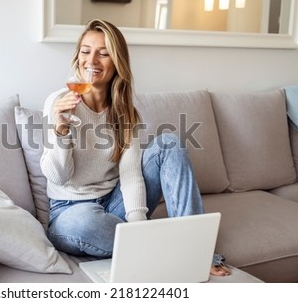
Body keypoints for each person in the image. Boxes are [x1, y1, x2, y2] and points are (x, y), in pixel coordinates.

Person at [40, 19, 230, 277]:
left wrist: (137, 224)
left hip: (115, 202)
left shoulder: (125, 113)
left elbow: (130, 176)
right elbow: (58, 176)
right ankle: (176, 250)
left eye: (103, 53)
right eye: (86, 51)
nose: (92, 61)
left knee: (168, 143)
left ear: (117, 62)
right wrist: (61, 130)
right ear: (77, 57)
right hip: (71, 210)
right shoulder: (58, 103)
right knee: (83, 223)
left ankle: (194, 250)